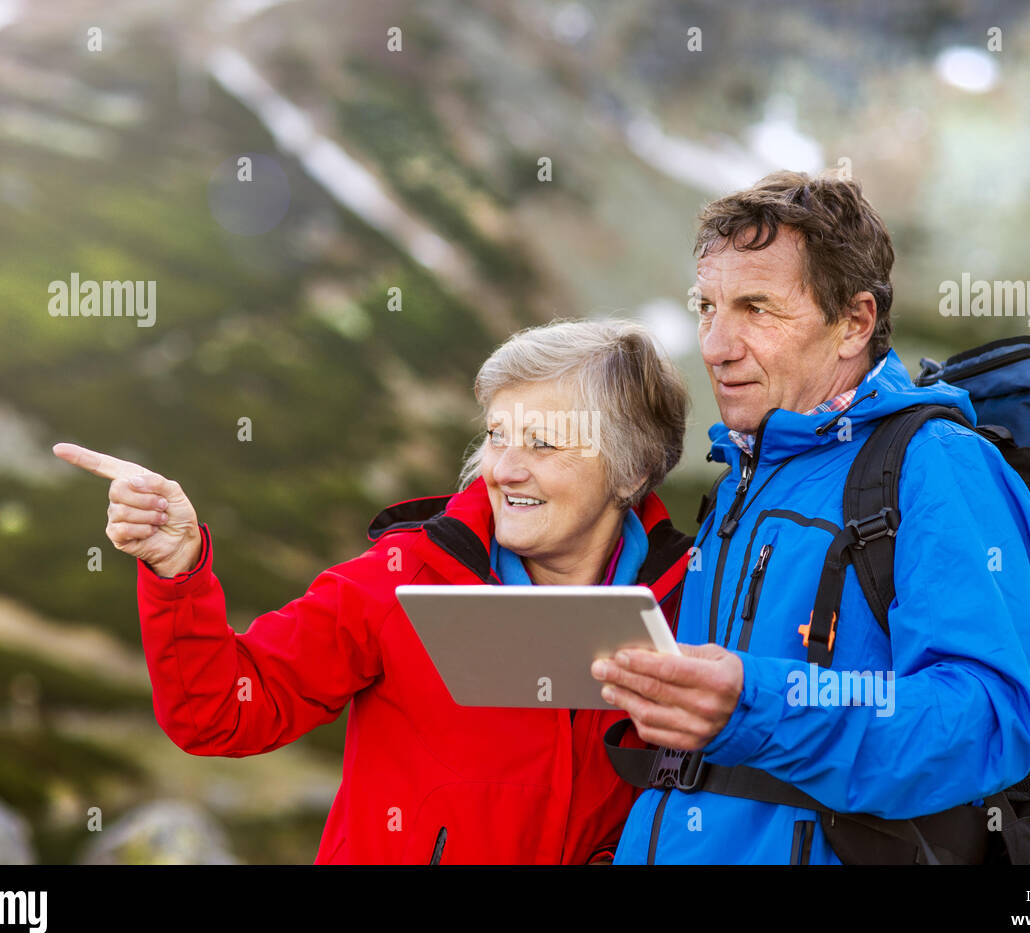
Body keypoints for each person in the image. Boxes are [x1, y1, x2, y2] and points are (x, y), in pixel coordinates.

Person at [54, 319, 693, 864]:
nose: (505, 468)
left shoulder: (693, 602)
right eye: (498, 435)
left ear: (631, 468)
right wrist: (179, 568)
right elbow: (220, 716)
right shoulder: (402, 577)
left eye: (544, 442)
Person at [591, 171, 1030, 864]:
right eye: (708, 308)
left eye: (757, 309)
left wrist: (755, 701)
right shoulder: (746, 474)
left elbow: (986, 719)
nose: (715, 346)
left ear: (854, 323)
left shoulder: (937, 465)